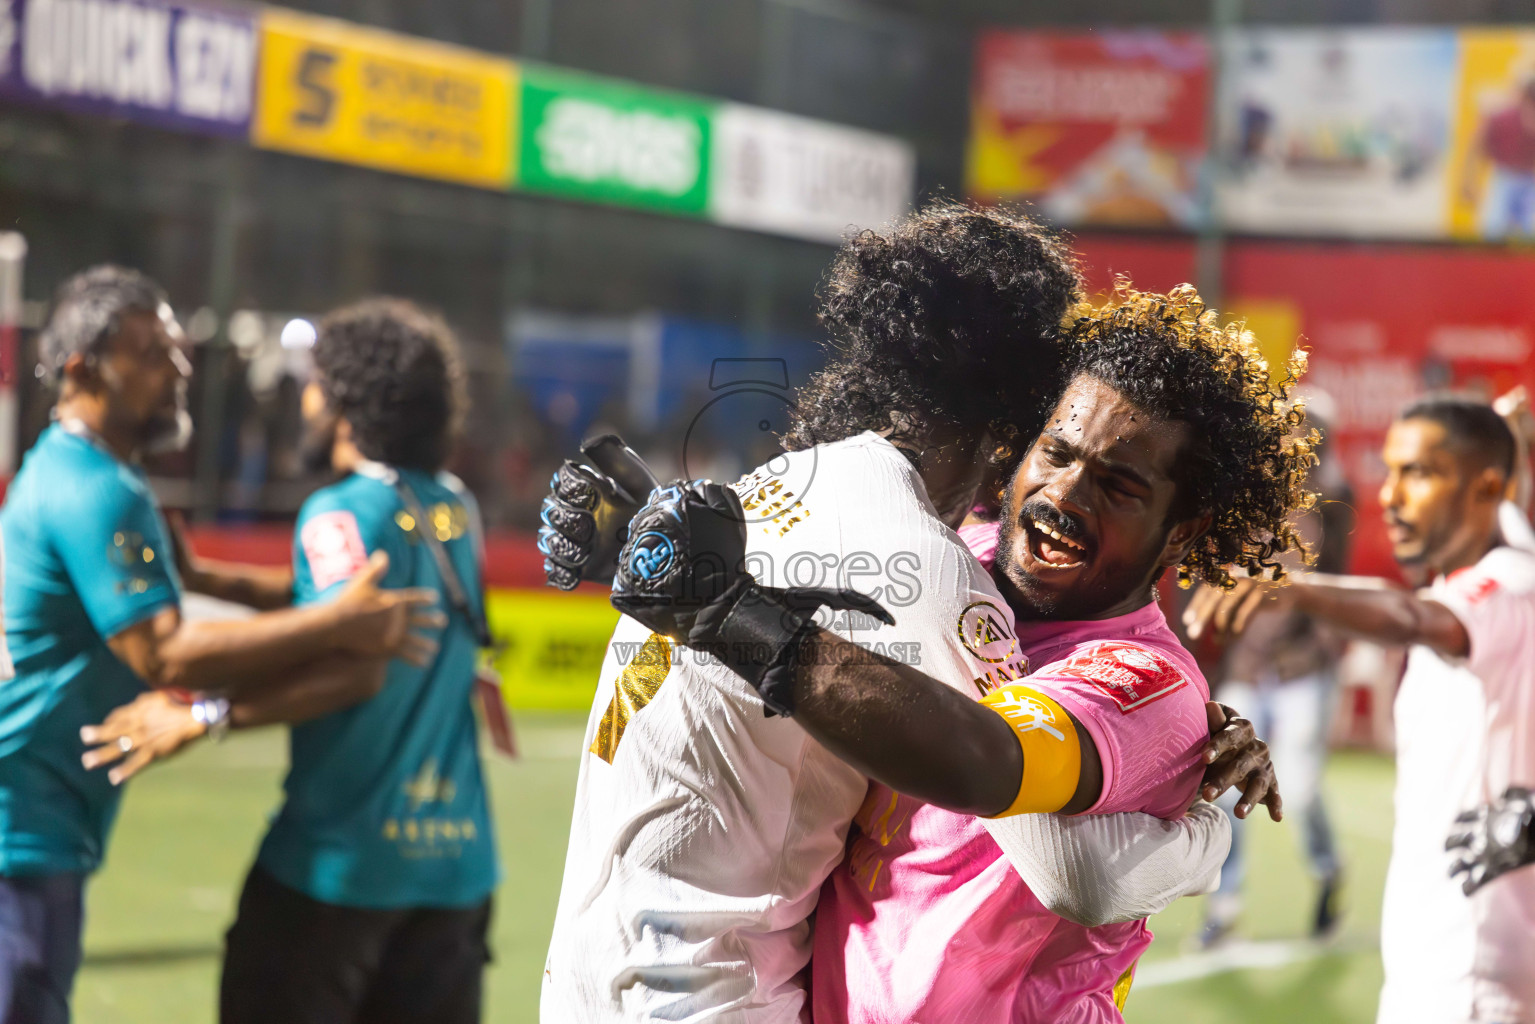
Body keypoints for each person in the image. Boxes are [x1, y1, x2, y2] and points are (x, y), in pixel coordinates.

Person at [538, 204, 1273, 1022]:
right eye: (1056, 451)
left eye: (1119, 484)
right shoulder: (930, 565)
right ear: (1022, 419)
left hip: (590, 974)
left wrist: (1183, 758)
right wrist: (1204, 829)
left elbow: (1063, 850)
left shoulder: (773, 490)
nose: (1064, 493)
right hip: (707, 997)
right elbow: (1073, 862)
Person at [0, 268, 440, 1022]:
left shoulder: (73, 470)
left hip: (39, 818)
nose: (178, 368)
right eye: (152, 353)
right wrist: (339, 624)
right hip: (23, 830)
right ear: (82, 369)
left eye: (176, 348)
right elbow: (164, 655)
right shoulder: (97, 487)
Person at [81, 298, 499, 1024]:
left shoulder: (339, 511)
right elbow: (331, 604)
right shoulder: (454, 507)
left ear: (343, 402)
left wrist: (205, 711)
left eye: (313, 383)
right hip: (457, 874)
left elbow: (356, 661)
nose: (302, 398)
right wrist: (211, 578)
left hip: (339, 873)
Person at [1186, 394, 1535, 1024]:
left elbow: (1408, 615)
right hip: (1434, 973)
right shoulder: (1501, 568)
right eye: (1392, 471)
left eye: (1420, 473)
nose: (1392, 495)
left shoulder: (1505, 587)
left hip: (1472, 986)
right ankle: (1231, 902)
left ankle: (1315, 876)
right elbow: (1502, 515)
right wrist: (1512, 458)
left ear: (1485, 485)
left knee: (1302, 786)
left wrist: (1290, 586)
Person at [1200, 391, 1354, 947]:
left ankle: (1328, 871)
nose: (1293, 440)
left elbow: (1340, 587)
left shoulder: (1333, 503)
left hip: (1304, 668)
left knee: (1304, 789)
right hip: (1249, 662)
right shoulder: (1248, 496)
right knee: (1227, 782)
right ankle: (1225, 904)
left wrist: (1324, 646)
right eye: (1286, 429)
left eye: (1304, 430)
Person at [1460, 75, 1535, 240]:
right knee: (1493, 231)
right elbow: (1474, 149)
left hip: (1531, 180)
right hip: (1504, 177)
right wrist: (1468, 182)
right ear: (1524, 103)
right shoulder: (1500, 119)